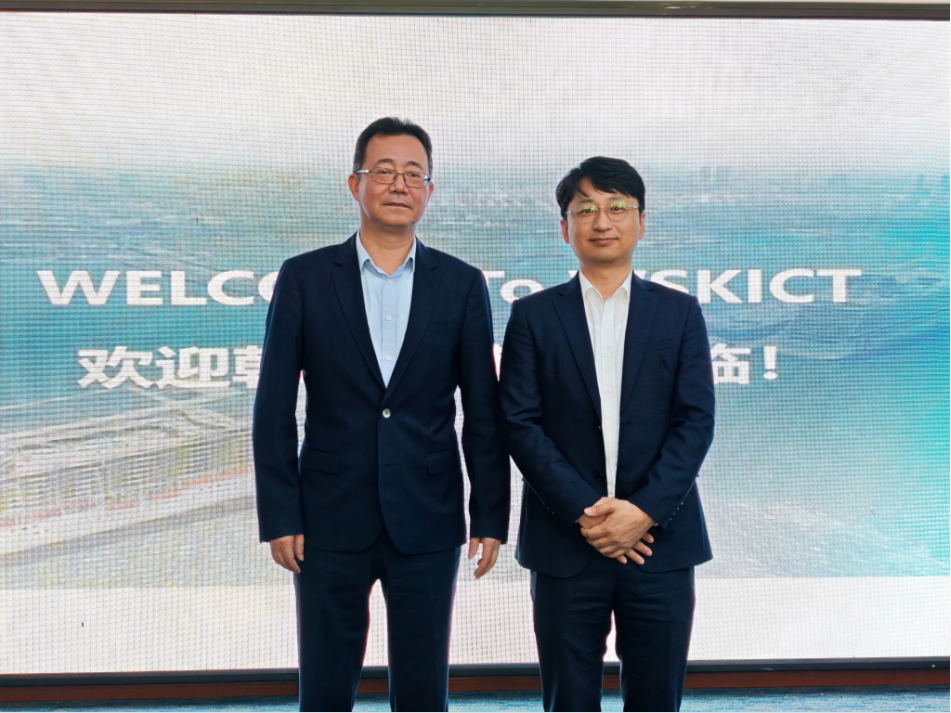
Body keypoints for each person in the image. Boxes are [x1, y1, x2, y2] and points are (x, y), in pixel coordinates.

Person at [253, 117, 510, 712]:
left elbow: (483, 412)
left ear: (429, 191)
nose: (399, 184)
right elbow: (273, 406)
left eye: (414, 174)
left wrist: (490, 514)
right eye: (384, 171)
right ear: (355, 183)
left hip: (428, 513)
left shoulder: (462, 284)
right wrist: (280, 513)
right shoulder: (304, 277)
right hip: (326, 516)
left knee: (422, 688)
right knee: (324, 686)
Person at [499, 156, 715, 712]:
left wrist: (643, 513)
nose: (602, 221)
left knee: (656, 699)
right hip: (566, 542)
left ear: (641, 222)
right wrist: (588, 513)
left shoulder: (680, 312)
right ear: (564, 226)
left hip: (658, 544)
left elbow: (695, 421)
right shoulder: (533, 316)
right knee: (568, 699)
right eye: (585, 209)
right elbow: (519, 423)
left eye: (617, 207)